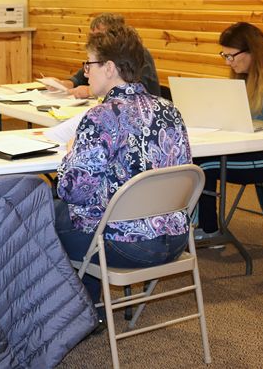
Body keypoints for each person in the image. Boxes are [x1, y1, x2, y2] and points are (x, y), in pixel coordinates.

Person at [54, 25, 191, 317]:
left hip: (127, 246)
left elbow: (72, 189)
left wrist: (69, 155)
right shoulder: (171, 111)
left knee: (46, 217)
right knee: (88, 213)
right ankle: (90, 308)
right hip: (175, 240)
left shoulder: (100, 117)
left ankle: (77, 314)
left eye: (89, 65)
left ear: (110, 67)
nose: (86, 72)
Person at [195, 22, 263, 238]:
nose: (228, 62)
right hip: (255, 147)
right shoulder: (246, 77)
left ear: (252, 51)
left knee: (204, 165)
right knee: (199, 161)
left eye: (231, 56)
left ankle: (208, 229)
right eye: (224, 56)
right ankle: (204, 225)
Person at [51, 13, 161, 98]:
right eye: (92, 36)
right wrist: (69, 83)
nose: (94, 41)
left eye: (99, 36)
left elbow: (135, 88)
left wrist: (90, 91)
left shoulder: (136, 54)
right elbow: (86, 73)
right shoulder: (101, 54)